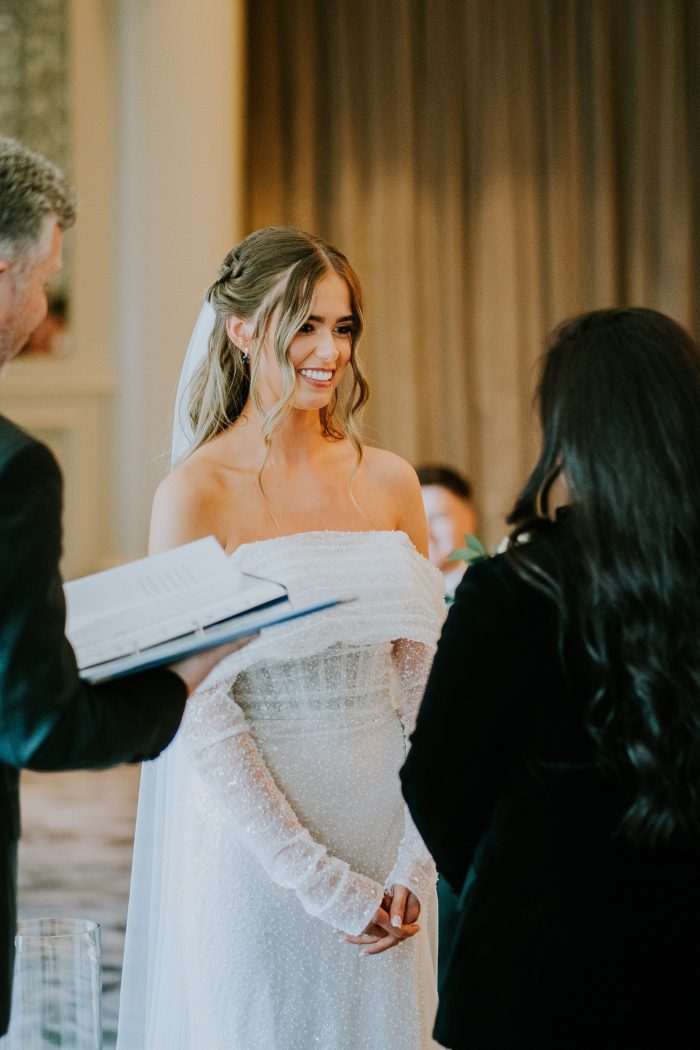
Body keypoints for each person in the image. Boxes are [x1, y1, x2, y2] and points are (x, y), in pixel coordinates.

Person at [117, 226, 446, 1049]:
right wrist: (318, 881)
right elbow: (202, 714)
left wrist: (416, 859)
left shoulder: (392, 481)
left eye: (342, 327)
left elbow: (429, 690)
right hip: (257, 861)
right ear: (239, 328)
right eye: (303, 324)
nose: (327, 350)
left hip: (390, 844)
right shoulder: (194, 495)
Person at [0, 136, 249, 1036]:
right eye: (44, 279)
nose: (40, 307)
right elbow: (39, 722)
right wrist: (180, 677)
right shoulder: (11, 468)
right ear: (3, 272)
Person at [401, 307, 700, 1048]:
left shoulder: (514, 588)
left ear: (572, 432)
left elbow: (437, 785)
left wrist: (517, 875)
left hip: (537, 964)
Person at [416, 465, 477, 600]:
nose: (426, 533)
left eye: (438, 517)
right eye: (417, 520)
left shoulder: (492, 587)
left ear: (469, 520)